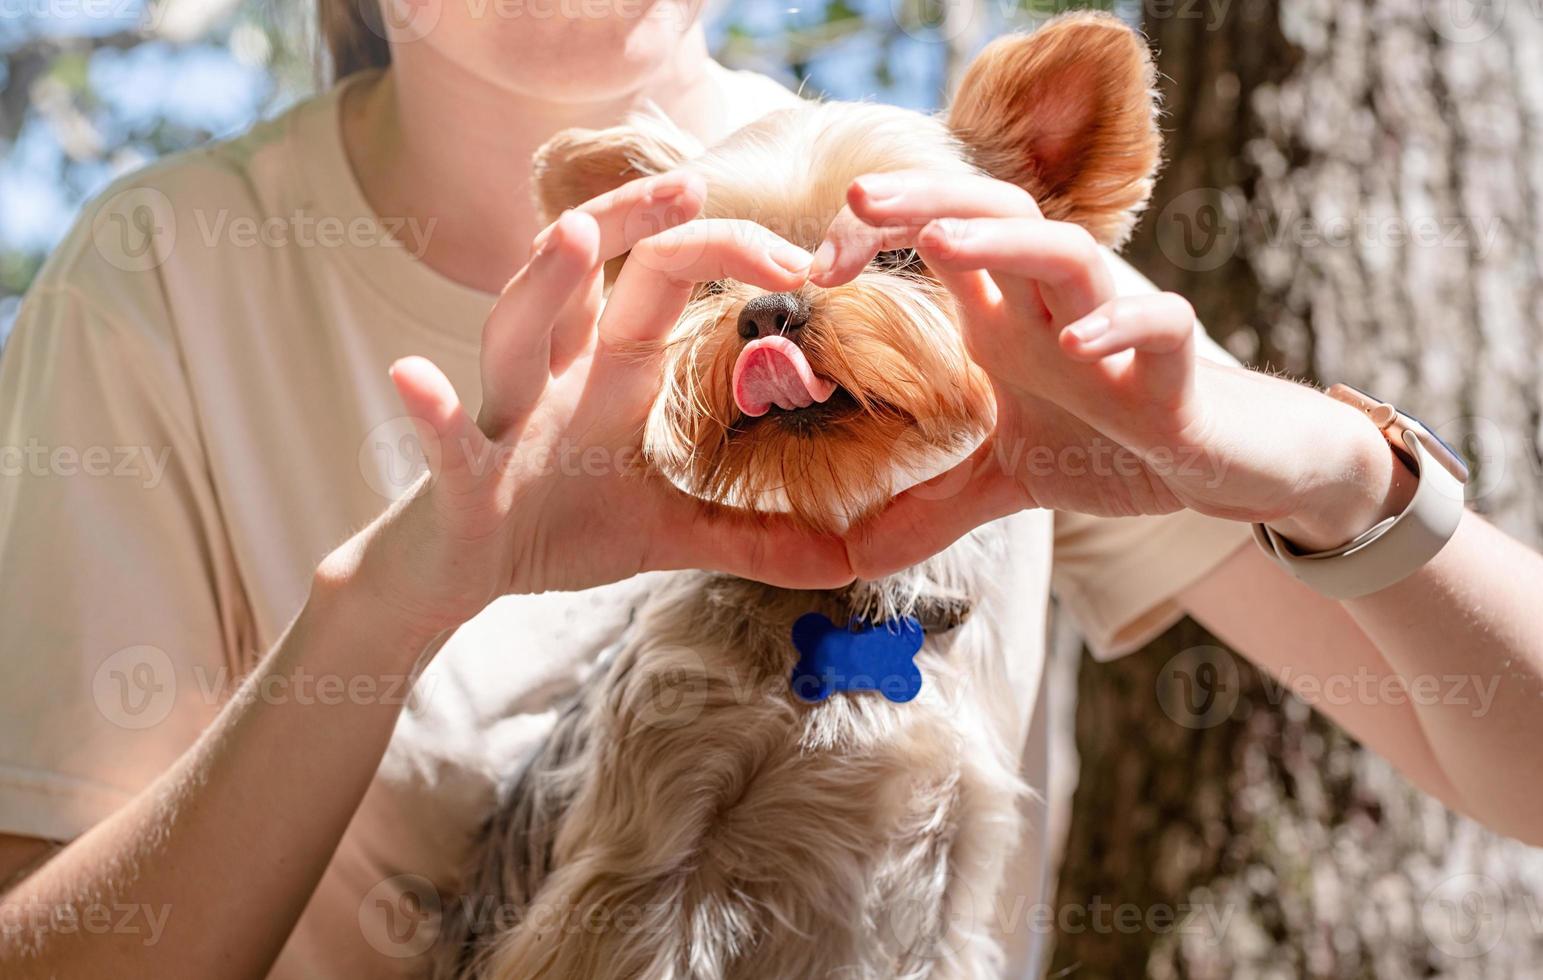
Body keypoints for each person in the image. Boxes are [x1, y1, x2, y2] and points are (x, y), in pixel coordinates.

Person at [2, 2, 1541, 977]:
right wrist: (400, 595)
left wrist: (1336, 467)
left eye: (882, 268)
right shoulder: (167, 279)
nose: (804, 308)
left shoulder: (975, 267)